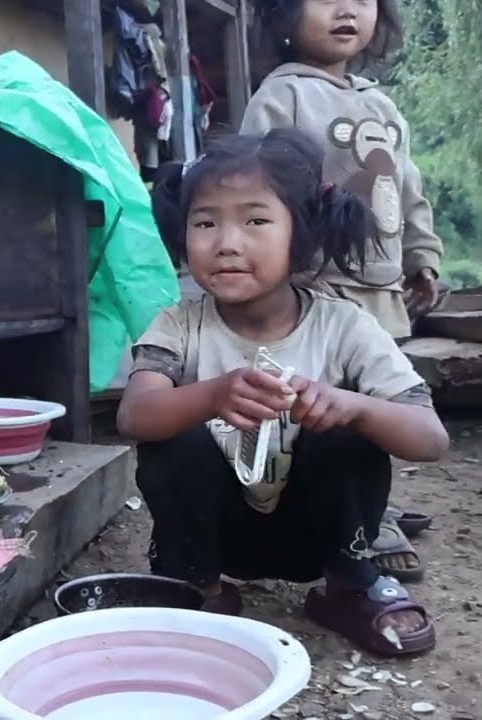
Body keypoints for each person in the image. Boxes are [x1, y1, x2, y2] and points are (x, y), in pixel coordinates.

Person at [118, 129, 449, 657]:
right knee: (172, 436)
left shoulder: (346, 326)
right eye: (205, 222)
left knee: (350, 433)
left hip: (318, 532)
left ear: (303, 233)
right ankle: (199, 589)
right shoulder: (178, 325)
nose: (226, 242)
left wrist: (357, 407)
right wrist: (210, 396)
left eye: (255, 220)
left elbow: (430, 440)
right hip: (216, 534)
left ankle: (350, 586)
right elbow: (135, 416)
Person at [240, 0, 444, 583]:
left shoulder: (381, 104)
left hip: (381, 291)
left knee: (378, 402)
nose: (347, 10)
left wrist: (422, 256)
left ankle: (371, 503)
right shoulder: (283, 97)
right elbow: (256, 187)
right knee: (321, 407)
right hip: (315, 287)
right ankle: (351, 521)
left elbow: (408, 189)